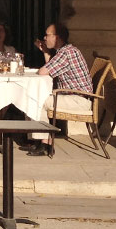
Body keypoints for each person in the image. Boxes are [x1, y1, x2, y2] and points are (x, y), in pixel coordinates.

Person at [32, 22, 92, 157]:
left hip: (79, 100)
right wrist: (46, 52)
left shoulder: (66, 53)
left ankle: (45, 143)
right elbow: (50, 68)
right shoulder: (65, 51)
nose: (44, 38)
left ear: (57, 38)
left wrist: (46, 53)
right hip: (74, 97)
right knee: (36, 98)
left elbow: (43, 71)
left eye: (47, 35)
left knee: (37, 100)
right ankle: (41, 141)